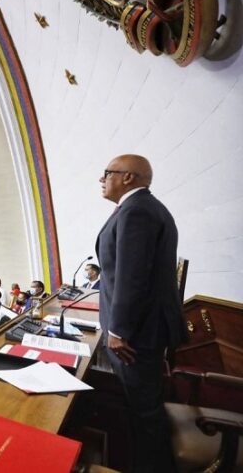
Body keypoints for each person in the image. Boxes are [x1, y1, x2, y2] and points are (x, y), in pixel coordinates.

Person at [96, 154, 187, 473]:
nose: (101, 179)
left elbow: (131, 277)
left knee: (144, 411)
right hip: (141, 329)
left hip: (136, 336)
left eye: (107, 173)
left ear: (129, 177)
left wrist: (118, 330)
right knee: (139, 406)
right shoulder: (138, 209)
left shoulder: (137, 212)